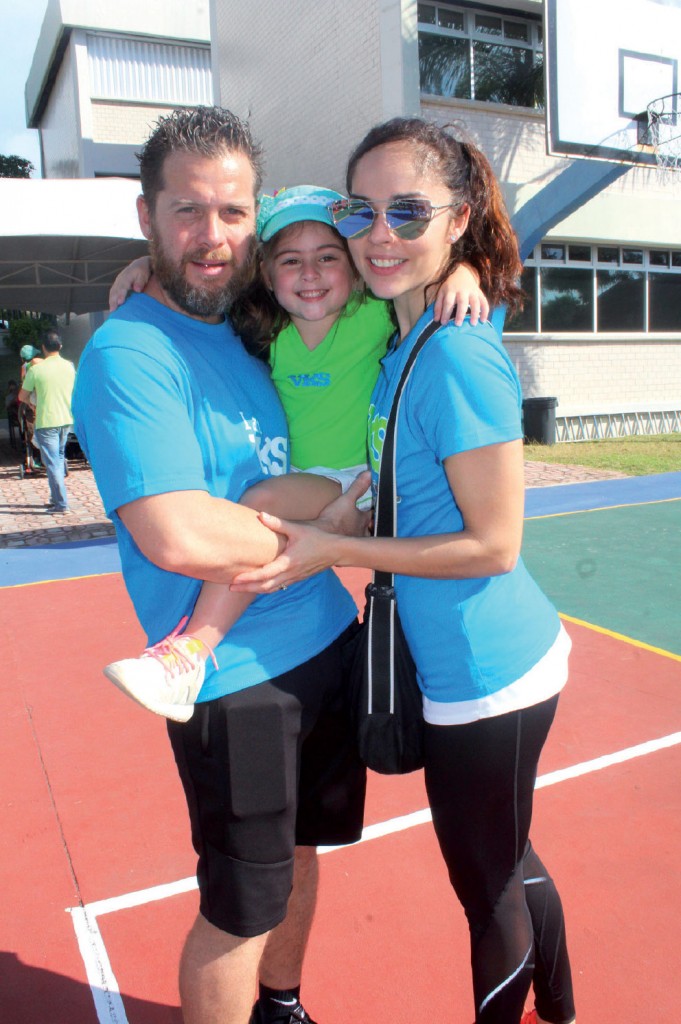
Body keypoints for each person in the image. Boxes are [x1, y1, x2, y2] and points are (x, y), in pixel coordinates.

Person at [229, 118, 576, 1024]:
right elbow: (272, 263)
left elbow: (495, 545)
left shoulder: (455, 351)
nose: (380, 233)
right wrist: (149, 269)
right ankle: (566, 1005)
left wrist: (335, 548)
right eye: (364, 210)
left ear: (457, 218)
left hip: (485, 673)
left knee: (487, 886)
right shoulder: (403, 327)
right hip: (465, 656)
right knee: (510, 850)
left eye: (409, 211)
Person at [72, 105, 389, 1024]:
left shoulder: (255, 329)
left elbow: (374, 277)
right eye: (186, 213)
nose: (211, 238)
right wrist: (334, 536)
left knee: (302, 855)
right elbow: (176, 533)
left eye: (231, 213)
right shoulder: (131, 351)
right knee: (238, 907)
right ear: (146, 216)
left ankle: (281, 1006)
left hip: (325, 636)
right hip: (234, 680)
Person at [101, 185, 488, 721]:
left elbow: (428, 269)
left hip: (356, 479)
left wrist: (463, 274)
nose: (310, 275)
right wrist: (145, 264)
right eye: (290, 261)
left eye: (328, 258)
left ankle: (191, 650)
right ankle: (193, 653)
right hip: (310, 476)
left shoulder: (372, 316)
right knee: (262, 515)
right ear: (265, 274)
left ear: (353, 268)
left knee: (258, 501)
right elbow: (200, 278)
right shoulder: (263, 331)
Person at [18, 330, 75, 512]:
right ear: (60, 346)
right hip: (66, 420)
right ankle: (55, 497)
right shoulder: (69, 366)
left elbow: (22, 396)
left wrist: (33, 403)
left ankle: (61, 503)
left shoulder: (35, 370)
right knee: (57, 459)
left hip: (46, 420)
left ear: (43, 348)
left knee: (52, 464)